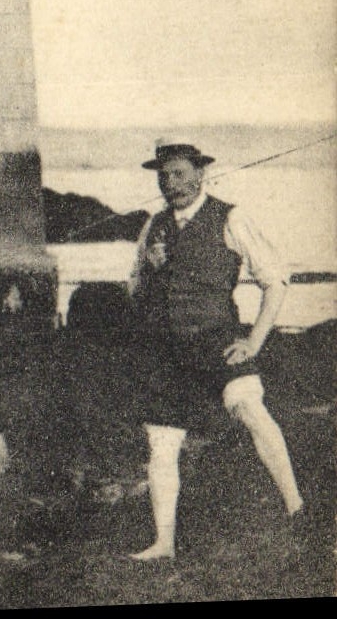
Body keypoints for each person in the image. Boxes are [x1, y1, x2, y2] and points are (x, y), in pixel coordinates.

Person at [127, 139, 304, 560]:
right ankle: (164, 543)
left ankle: (299, 510)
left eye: (180, 174)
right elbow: (133, 291)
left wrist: (253, 340)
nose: (172, 184)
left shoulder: (230, 216)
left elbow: (276, 280)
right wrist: (150, 268)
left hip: (216, 340)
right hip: (167, 349)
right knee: (163, 443)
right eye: (164, 176)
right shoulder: (152, 226)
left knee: (250, 409)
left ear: (201, 173)